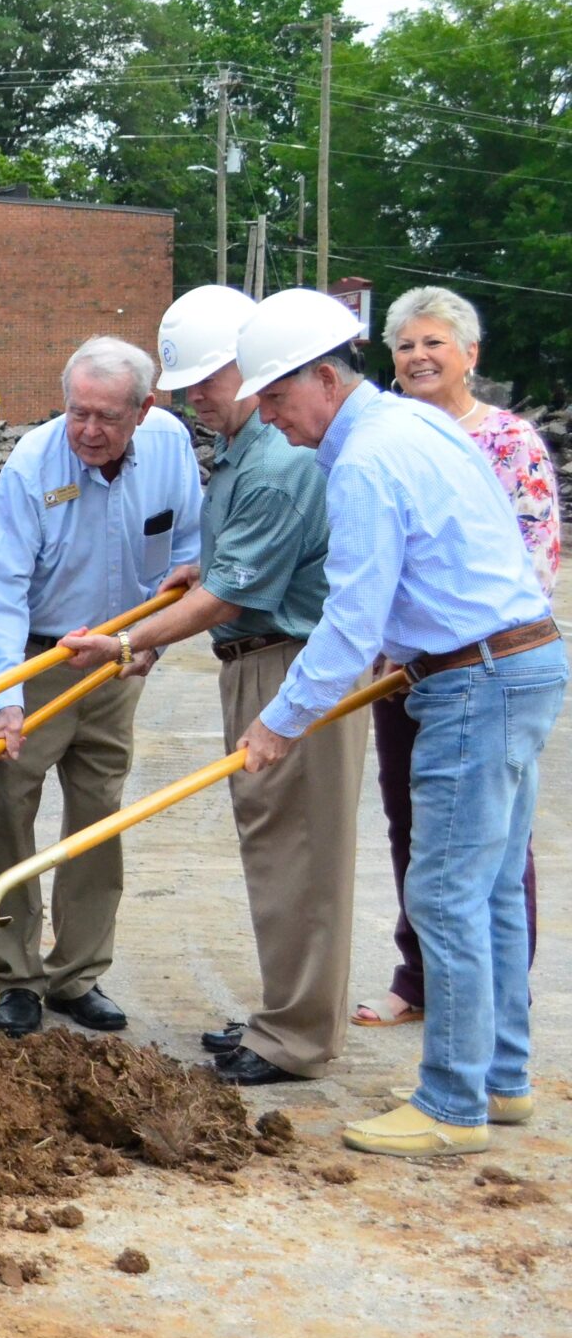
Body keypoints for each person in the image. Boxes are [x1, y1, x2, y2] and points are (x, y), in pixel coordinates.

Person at [233, 287, 562, 1157]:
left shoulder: (370, 458)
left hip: (476, 677)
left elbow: (350, 618)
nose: (270, 416)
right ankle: (499, 1077)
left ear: (325, 380)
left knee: (445, 893)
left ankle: (452, 1103)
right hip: (518, 657)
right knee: (491, 885)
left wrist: (279, 721)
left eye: (276, 396)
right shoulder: (416, 425)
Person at [65, 285, 361, 1087]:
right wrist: (201, 568)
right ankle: (285, 1013)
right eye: (187, 384)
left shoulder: (276, 461)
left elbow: (231, 595)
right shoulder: (240, 452)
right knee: (274, 847)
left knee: (302, 852)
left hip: (290, 660)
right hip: (256, 657)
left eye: (208, 379)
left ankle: (295, 1034)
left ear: (253, 365)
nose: (195, 396)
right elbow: (229, 569)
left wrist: (130, 639)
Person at [0, 337, 202, 1038]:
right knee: (12, 813)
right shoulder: (31, 465)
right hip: (37, 661)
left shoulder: (171, 446)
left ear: (145, 409)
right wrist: (6, 700)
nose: (90, 431)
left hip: (118, 662)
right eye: (79, 413)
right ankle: (17, 977)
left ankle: (77, 973)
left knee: (98, 815)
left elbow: (190, 551)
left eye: (108, 416)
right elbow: (2, 589)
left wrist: (152, 640)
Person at [357, 286, 560, 1028]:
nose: (418, 356)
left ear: (470, 354)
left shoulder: (509, 440)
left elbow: (533, 559)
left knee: (492, 839)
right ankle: (419, 977)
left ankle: (500, 992)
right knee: (410, 820)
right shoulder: (385, 432)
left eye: (433, 342)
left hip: (482, 665)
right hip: (399, 669)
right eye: (405, 345)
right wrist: (383, 646)